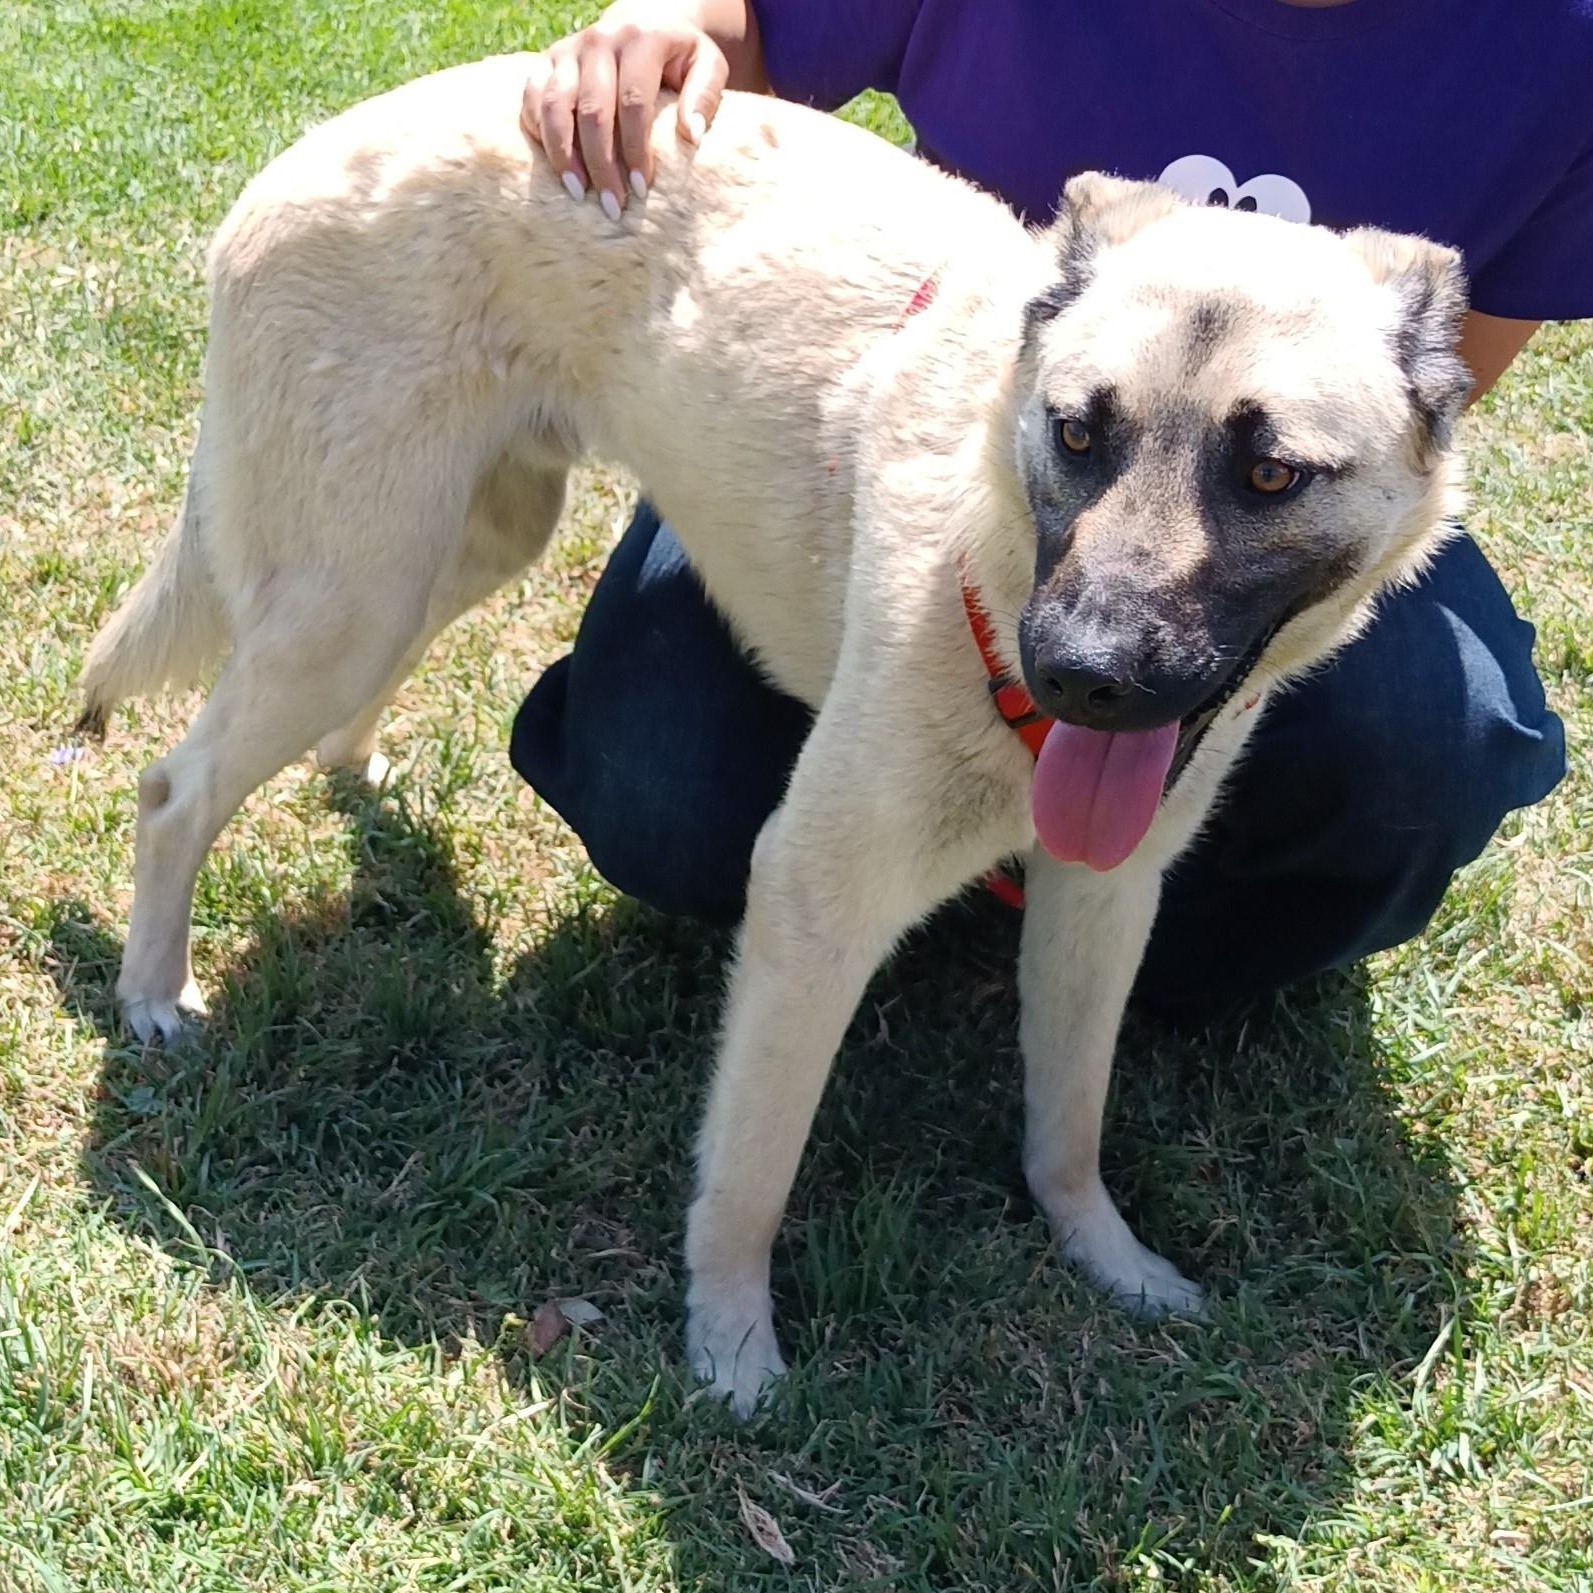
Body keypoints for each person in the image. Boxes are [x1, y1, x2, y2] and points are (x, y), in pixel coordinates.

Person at [509, 0, 1589, 1016]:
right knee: (656, 793)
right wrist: (669, 23)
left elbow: (1425, 414)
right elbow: (752, 26)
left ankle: (1121, 922)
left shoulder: (1560, 46)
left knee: (1428, 745)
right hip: (916, 444)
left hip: (1274, 504)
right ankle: (936, 836)